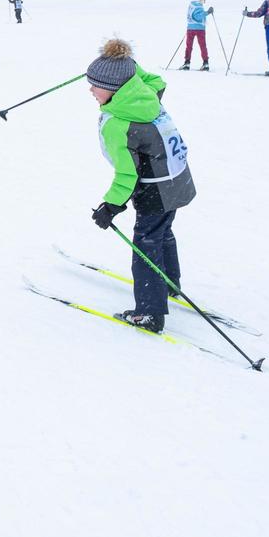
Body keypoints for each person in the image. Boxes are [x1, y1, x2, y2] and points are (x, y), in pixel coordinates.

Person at [84, 39, 196, 333]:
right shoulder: (148, 97)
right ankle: (170, 282)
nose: (90, 90)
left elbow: (126, 174)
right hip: (178, 179)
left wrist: (111, 205)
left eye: (96, 85)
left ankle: (149, 313)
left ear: (115, 88)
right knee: (162, 233)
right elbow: (152, 79)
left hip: (155, 190)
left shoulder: (117, 122)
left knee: (146, 245)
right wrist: (127, 66)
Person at [181, 0, 215, 70]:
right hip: (199, 29)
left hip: (190, 28)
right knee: (202, 46)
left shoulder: (192, 3)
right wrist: (207, 12)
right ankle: (205, 63)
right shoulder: (198, 4)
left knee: (189, 46)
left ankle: (187, 63)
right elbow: (198, 17)